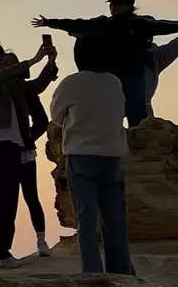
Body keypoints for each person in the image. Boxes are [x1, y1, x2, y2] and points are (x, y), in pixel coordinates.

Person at [33, 0, 178, 128]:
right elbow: (77, 24)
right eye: (112, 4)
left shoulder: (140, 24)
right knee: (107, 112)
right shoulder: (103, 23)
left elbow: (164, 25)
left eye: (119, 4)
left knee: (136, 111)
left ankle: (140, 140)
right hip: (108, 76)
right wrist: (49, 23)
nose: (114, 8)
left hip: (132, 74)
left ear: (129, 6)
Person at [48, 34, 134, 274]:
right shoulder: (114, 81)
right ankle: (121, 271)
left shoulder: (71, 83)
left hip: (82, 155)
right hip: (112, 155)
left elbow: (56, 116)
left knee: (86, 221)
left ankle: (93, 273)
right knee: (115, 220)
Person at [0, 37, 53, 267]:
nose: (2, 59)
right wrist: (33, 59)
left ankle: (4, 251)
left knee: (9, 199)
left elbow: (35, 87)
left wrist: (49, 62)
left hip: (13, 145)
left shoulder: (12, 83)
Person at [4, 43, 60, 257]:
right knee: (7, 200)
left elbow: (41, 120)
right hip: (3, 151)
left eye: (12, 64)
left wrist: (26, 138)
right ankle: (4, 247)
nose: (9, 67)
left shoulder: (24, 89)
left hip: (23, 152)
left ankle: (41, 240)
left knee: (31, 197)